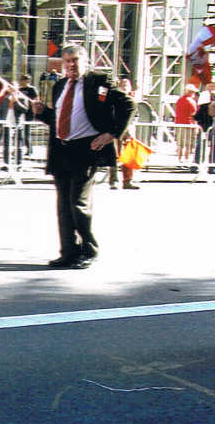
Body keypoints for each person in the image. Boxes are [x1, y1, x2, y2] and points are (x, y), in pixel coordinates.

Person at [32, 43, 135, 270]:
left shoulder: (98, 82)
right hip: (61, 150)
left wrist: (112, 134)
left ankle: (89, 250)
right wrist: (43, 113)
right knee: (63, 206)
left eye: (75, 60)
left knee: (78, 203)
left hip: (86, 150)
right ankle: (68, 252)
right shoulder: (60, 86)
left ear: (85, 61)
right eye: (67, 61)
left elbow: (128, 105)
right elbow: (59, 119)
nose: (71, 65)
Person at [109, 77, 139, 190]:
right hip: (116, 131)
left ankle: (128, 181)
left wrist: (130, 128)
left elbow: (135, 116)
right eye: (123, 85)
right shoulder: (114, 99)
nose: (125, 87)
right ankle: (114, 181)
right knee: (114, 156)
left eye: (127, 85)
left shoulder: (132, 100)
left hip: (128, 132)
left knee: (128, 157)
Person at [174, 84, 199, 165]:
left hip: (179, 124)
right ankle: (186, 160)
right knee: (188, 144)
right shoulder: (192, 101)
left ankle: (179, 159)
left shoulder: (179, 100)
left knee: (180, 144)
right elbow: (194, 115)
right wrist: (196, 126)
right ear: (191, 92)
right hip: (189, 125)